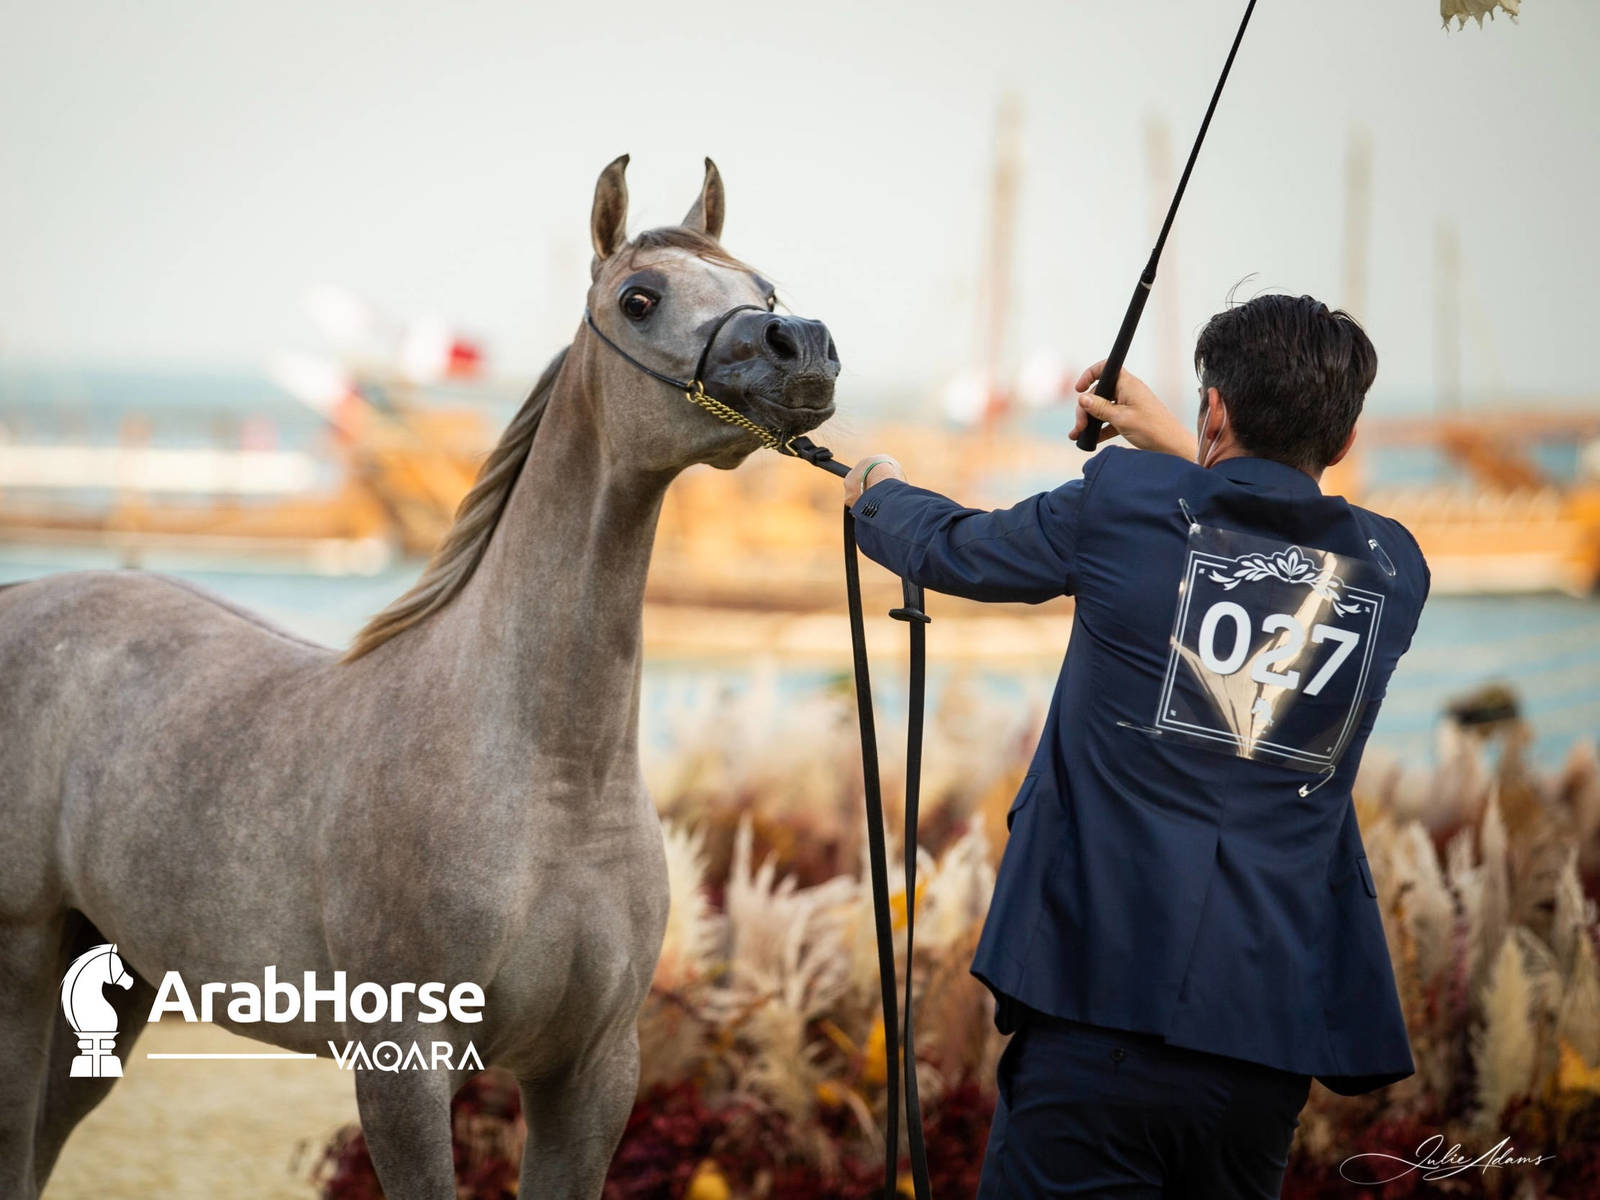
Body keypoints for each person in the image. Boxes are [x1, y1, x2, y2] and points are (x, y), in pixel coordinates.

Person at [842, 294, 1428, 1199]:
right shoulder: (1393, 572)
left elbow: (959, 550)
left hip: (1095, 1016)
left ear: (1215, 409)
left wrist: (876, 490)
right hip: (1263, 1050)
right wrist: (1184, 448)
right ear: (1346, 438)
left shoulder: (1121, 501)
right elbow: (1274, 529)